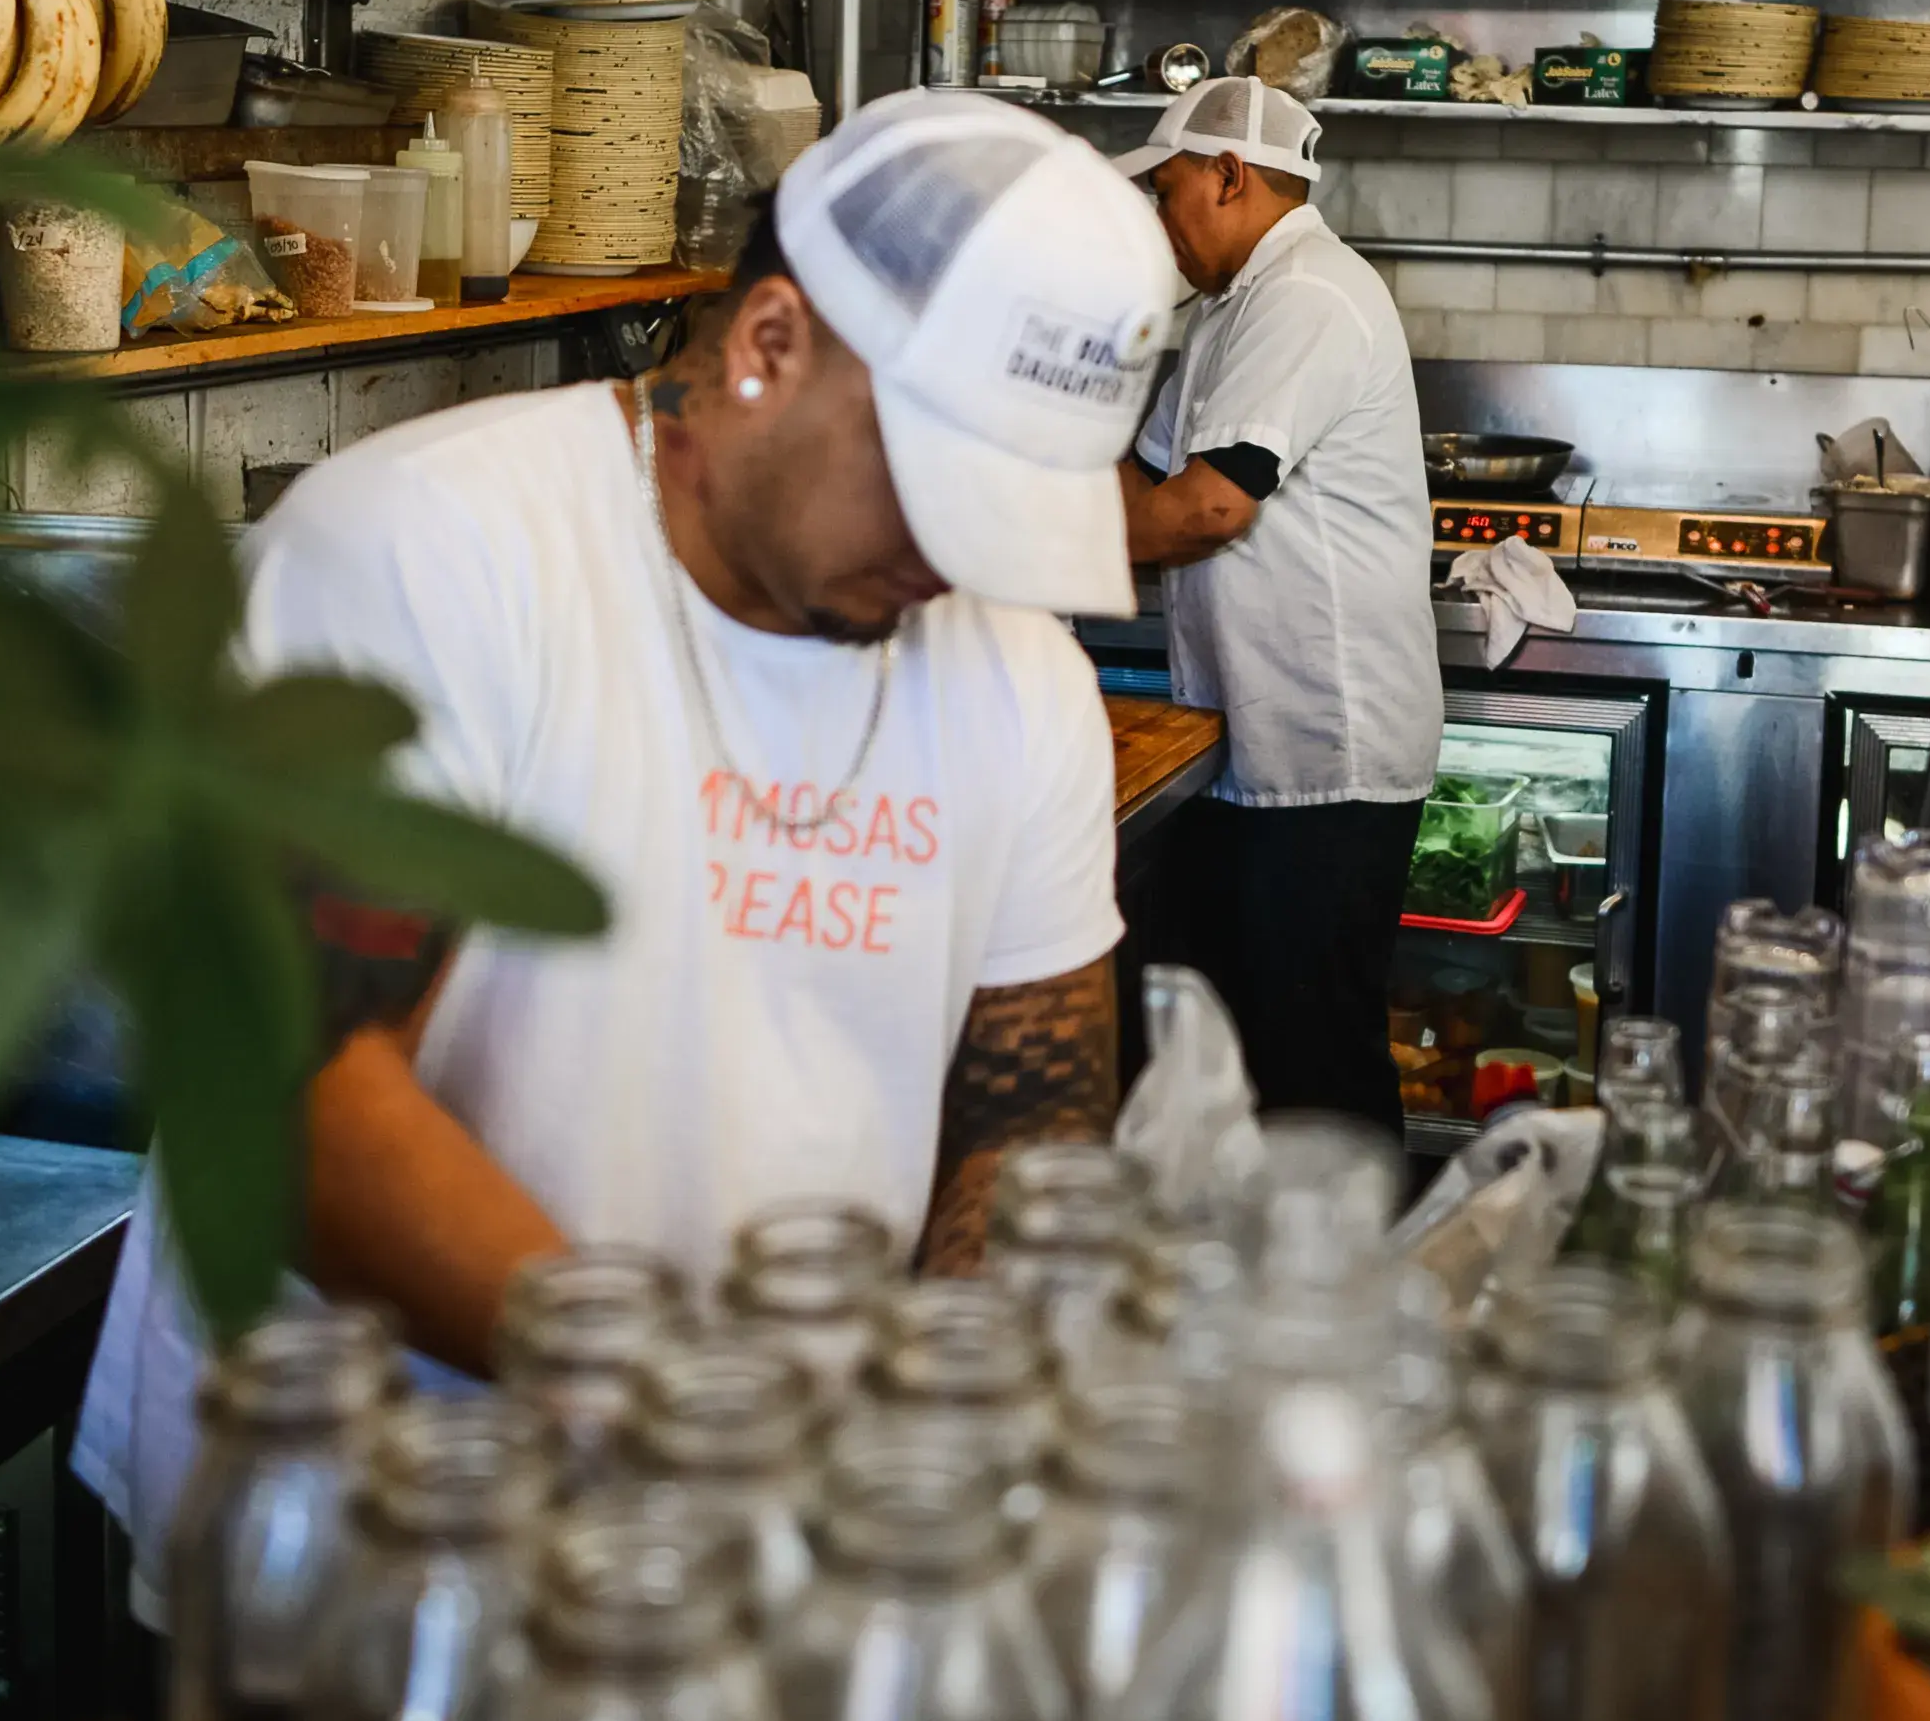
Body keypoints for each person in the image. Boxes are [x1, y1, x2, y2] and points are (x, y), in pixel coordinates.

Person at [73, 91, 1181, 1591]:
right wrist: (675, 1404)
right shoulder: (435, 553)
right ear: (768, 343)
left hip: (756, 1552)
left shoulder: (1017, 674)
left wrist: (939, 1430)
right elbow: (294, 1094)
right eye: (936, 483)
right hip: (362, 1541)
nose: (958, 556)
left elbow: (1029, 1124)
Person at [1115, 77, 1442, 1129]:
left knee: (1316, 1073)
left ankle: (1355, 1284)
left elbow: (1205, 508)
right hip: (1251, 747)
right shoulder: (1229, 308)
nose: (1161, 222)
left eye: (1167, 192)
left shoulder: (1306, 294)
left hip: (1323, 756)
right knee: (1236, 1063)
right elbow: (1145, 481)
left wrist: (1035, 534)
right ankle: (1250, 1282)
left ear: (1228, 174)